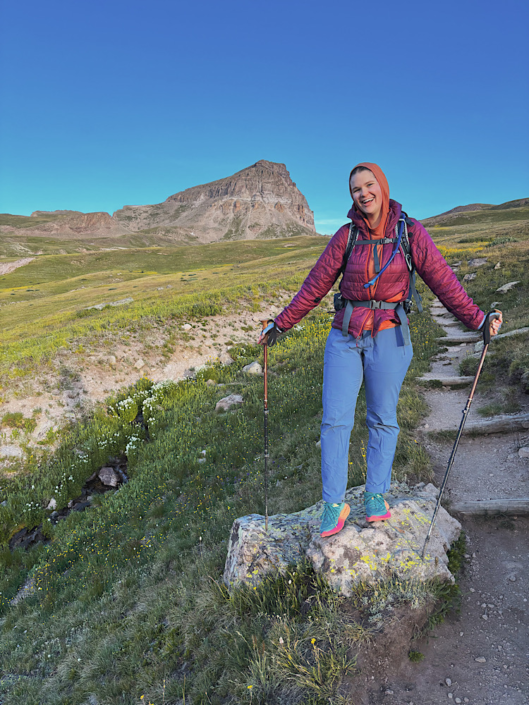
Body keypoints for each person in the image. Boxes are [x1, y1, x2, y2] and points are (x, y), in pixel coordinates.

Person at [259, 162, 502, 538]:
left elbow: (442, 279)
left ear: (382, 187)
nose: (363, 193)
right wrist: (282, 322)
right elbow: (316, 284)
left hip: (389, 333)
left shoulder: (410, 232)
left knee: (382, 417)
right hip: (344, 335)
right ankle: (333, 503)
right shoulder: (346, 236)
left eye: (369, 185)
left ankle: (376, 496)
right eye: (356, 189)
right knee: (334, 419)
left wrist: (477, 320)